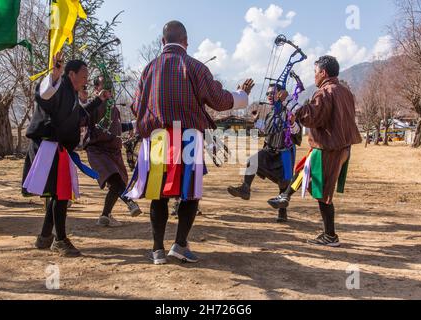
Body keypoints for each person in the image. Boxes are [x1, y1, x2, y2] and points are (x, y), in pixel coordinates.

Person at [126, 20, 254, 265]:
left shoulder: (148, 69)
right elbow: (218, 99)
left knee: (158, 194)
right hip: (187, 138)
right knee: (190, 194)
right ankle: (180, 244)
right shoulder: (195, 67)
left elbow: (135, 106)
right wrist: (242, 96)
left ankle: (157, 251)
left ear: (163, 42)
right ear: (186, 42)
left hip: (157, 140)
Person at [23, 53, 111, 257]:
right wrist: (54, 74)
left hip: (59, 149)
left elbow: (80, 116)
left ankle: (45, 237)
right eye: (84, 74)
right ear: (71, 74)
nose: (86, 79)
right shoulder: (59, 87)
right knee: (60, 195)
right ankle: (60, 240)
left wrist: (99, 100)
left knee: (58, 193)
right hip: (48, 147)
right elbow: (43, 94)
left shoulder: (71, 94)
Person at [268, 55, 362, 247]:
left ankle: (330, 235)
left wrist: (287, 101)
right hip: (339, 147)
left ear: (323, 73)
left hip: (329, 148)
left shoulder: (325, 92)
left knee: (322, 192)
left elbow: (310, 117)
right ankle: (285, 195)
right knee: (304, 170)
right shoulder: (344, 91)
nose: (314, 76)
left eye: (315, 72)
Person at [227, 83, 302, 223]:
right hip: (269, 150)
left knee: (284, 183)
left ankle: (282, 212)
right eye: (267, 93)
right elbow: (266, 130)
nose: (269, 96)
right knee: (252, 162)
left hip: (285, 152)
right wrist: (256, 121)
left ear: (280, 94)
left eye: (272, 93)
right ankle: (245, 189)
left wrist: (292, 123)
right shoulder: (271, 111)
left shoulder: (290, 109)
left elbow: (297, 132)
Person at [82, 76, 142, 228]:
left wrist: (134, 124)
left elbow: (116, 128)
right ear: (96, 88)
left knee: (118, 183)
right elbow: (82, 118)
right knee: (114, 178)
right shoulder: (93, 105)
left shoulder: (114, 108)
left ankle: (105, 215)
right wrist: (96, 101)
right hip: (97, 150)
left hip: (113, 151)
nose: (108, 90)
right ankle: (130, 202)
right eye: (104, 86)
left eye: (110, 87)